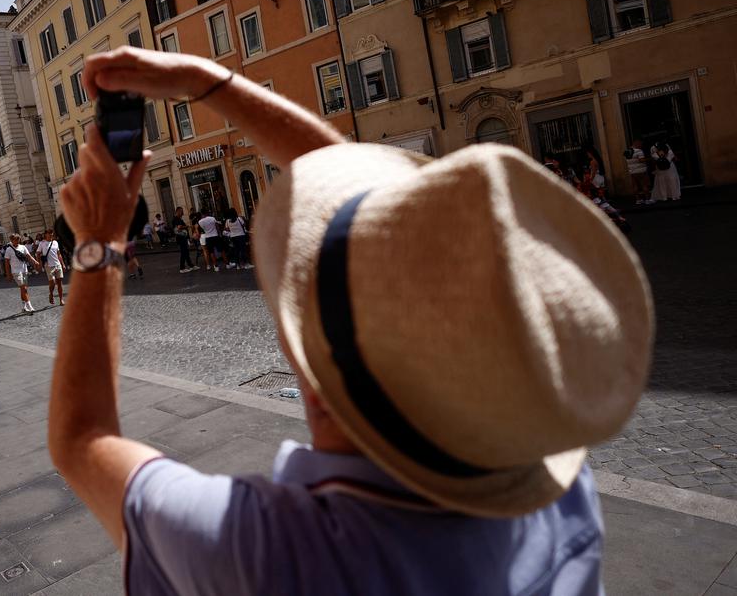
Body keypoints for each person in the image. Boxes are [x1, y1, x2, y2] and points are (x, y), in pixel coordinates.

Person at [46, 46, 652, 594]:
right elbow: (369, 211)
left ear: (319, 377)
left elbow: (82, 441)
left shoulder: (271, 555)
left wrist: (100, 239)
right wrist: (209, 83)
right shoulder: (550, 474)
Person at [5, 233, 43, 314]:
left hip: (24, 270)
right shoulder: (8, 250)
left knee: (23, 289)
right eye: (15, 239)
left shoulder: (23, 247)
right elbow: (7, 263)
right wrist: (8, 274)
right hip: (16, 272)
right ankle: (30, 306)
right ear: (11, 240)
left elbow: (28, 256)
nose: (17, 241)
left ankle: (24, 307)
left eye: (18, 239)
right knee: (24, 288)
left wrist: (35, 262)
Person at [38, 229, 66, 306]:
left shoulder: (55, 242)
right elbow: (38, 253)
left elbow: (59, 254)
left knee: (59, 283)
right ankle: (51, 294)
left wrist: (62, 264)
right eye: (49, 233)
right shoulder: (42, 243)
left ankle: (61, 300)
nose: (51, 235)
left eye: (52, 234)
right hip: (49, 266)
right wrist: (40, 263)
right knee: (52, 283)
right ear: (45, 234)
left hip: (57, 265)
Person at [625, 139, 651, 204]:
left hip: (632, 171)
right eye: (640, 144)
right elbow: (641, 160)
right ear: (637, 143)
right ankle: (647, 200)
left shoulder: (627, 151)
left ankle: (638, 200)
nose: (641, 145)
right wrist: (649, 159)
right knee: (644, 185)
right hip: (641, 170)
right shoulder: (639, 151)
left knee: (635, 186)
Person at [171, 207, 196, 274]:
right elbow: (179, 227)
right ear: (178, 211)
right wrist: (187, 226)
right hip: (181, 238)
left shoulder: (177, 218)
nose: (183, 213)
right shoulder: (176, 219)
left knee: (186, 252)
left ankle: (191, 266)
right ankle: (182, 268)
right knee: (183, 253)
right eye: (182, 212)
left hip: (182, 237)